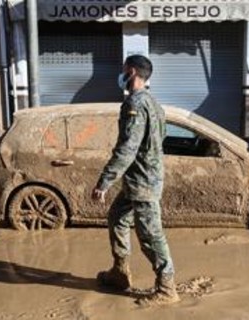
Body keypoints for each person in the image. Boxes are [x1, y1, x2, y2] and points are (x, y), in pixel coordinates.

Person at [92, 55, 180, 306]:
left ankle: (166, 288)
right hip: (140, 179)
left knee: (151, 235)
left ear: (131, 72)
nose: (121, 76)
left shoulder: (135, 104)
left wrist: (104, 181)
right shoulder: (154, 103)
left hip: (143, 181)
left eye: (123, 71)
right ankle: (120, 272)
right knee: (117, 218)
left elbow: (128, 148)